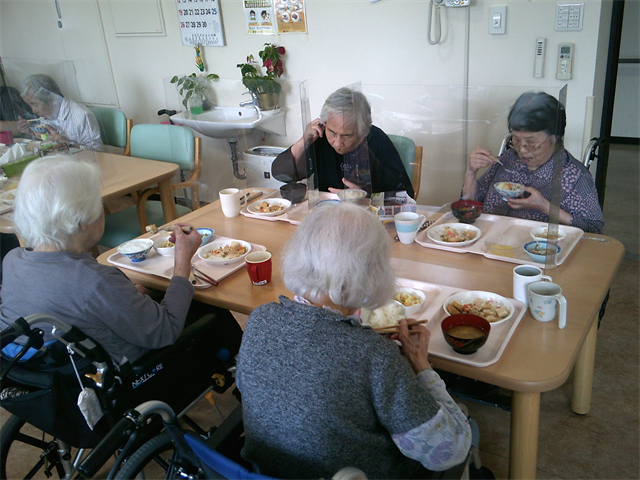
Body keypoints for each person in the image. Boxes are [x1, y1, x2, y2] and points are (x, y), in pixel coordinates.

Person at [236, 203, 472, 480]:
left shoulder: (260, 318)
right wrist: (421, 366)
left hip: (266, 471)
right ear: (373, 272)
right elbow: (448, 451)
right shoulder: (373, 353)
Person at [0, 155, 241, 364]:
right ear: (81, 221)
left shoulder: (13, 261)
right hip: (133, 376)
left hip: (50, 375)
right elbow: (165, 331)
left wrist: (124, 296)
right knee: (210, 311)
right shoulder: (96, 281)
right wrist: (183, 262)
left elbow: (74, 302)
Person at [461, 91, 603, 234]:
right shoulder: (507, 159)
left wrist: (545, 207)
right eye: (516, 140)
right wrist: (471, 172)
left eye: (531, 142)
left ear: (554, 138)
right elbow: (468, 206)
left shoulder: (575, 176)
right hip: (488, 240)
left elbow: (594, 230)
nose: (522, 150)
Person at [271, 87, 415, 198]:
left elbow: (406, 195)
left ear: (363, 132)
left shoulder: (377, 140)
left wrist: (366, 197)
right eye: (332, 133)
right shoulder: (320, 137)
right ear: (325, 123)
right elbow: (280, 174)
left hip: (365, 216)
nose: (338, 143)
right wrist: (304, 141)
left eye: (347, 136)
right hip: (325, 213)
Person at [16, 74, 103, 151]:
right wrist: (30, 133)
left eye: (35, 105)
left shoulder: (81, 116)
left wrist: (64, 142)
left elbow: (98, 152)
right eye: (30, 105)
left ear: (52, 99)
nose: (33, 110)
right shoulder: (46, 117)